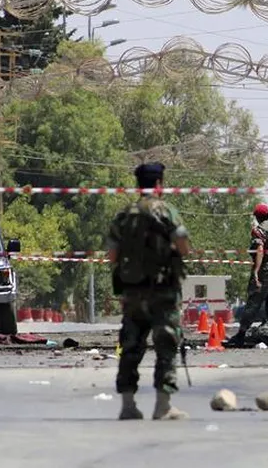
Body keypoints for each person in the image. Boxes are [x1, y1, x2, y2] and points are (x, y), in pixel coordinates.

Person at [108, 162, 191, 421]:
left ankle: (128, 406)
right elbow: (183, 243)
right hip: (163, 292)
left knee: (130, 344)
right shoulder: (166, 211)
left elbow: (112, 255)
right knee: (166, 344)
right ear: (159, 184)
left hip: (133, 292)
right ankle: (163, 405)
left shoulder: (124, 215)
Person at [225, 203, 268, 348]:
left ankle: (241, 335)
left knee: (253, 303)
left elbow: (260, 250)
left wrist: (256, 271)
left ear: (257, 217)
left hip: (265, 272)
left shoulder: (258, 231)